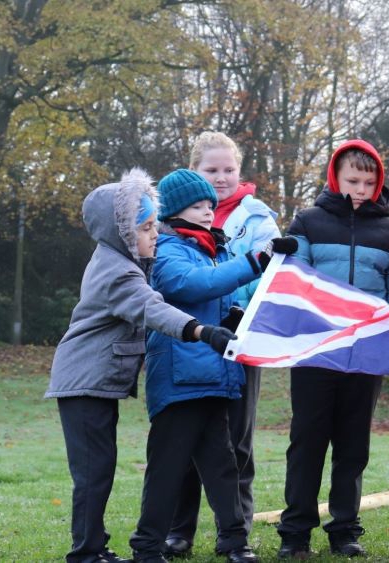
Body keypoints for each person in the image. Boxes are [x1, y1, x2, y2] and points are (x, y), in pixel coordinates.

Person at [46, 169, 236, 563]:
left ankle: (93, 548)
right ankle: (85, 553)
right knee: (93, 472)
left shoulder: (120, 259)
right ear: (123, 232)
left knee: (100, 469)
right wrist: (202, 331)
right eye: (147, 228)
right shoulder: (118, 271)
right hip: (82, 383)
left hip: (95, 383)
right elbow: (153, 309)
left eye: (154, 225)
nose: (155, 234)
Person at [128, 169, 296, 563]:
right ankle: (148, 546)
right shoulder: (167, 251)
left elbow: (227, 294)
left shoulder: (216, 250)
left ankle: (235, 542)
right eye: (197, 205)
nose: (208, 212)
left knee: (223, 466)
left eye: (210, 205)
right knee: (168, 468)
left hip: (218, 377)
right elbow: (195, 285)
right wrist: (256, 260)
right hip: (179, 379)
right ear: (173, 212)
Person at [276, 140, 389, 559]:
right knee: (307, 442)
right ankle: (296, 532)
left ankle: (345, 530)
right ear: (335, 177)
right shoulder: (308, 222)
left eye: (369, 182)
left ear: (379, 184)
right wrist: (280, 255)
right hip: (316, 351)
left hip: (365, 354)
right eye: (353, 180)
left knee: (353, 446)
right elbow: (291, 279)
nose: (360, 189)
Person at [165, 131, 281, 558]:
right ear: (194, 170)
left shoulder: (258, 219)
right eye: (211, 170)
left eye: (229, 169)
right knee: (189, 437)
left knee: (237, 440)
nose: (222, 178)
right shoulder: (173, 218)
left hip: (243, 338)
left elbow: (271, 272)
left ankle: (235, 530)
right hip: (191, 340)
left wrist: (239, 309)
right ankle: (179, 529)